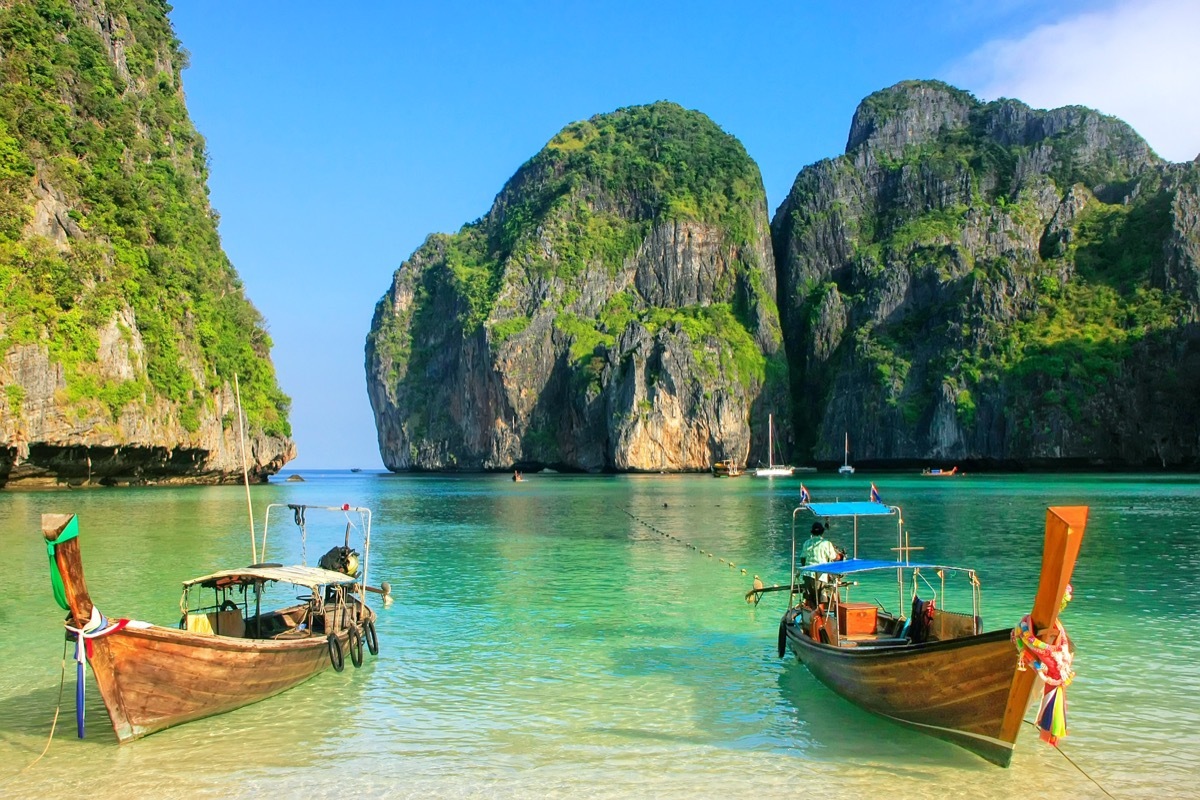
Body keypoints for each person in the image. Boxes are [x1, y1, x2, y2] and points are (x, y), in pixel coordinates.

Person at [799, 522, 842, 605]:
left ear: (812, 532)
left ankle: (810, 615)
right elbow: (834, 557)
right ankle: (820, 615)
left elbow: (803, 559)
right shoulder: (826, 543)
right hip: (820, 576)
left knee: (809, 599)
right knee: (821, 600)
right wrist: (840, 556)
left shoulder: (806, 543)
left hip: (807, 574)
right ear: (822, 532)